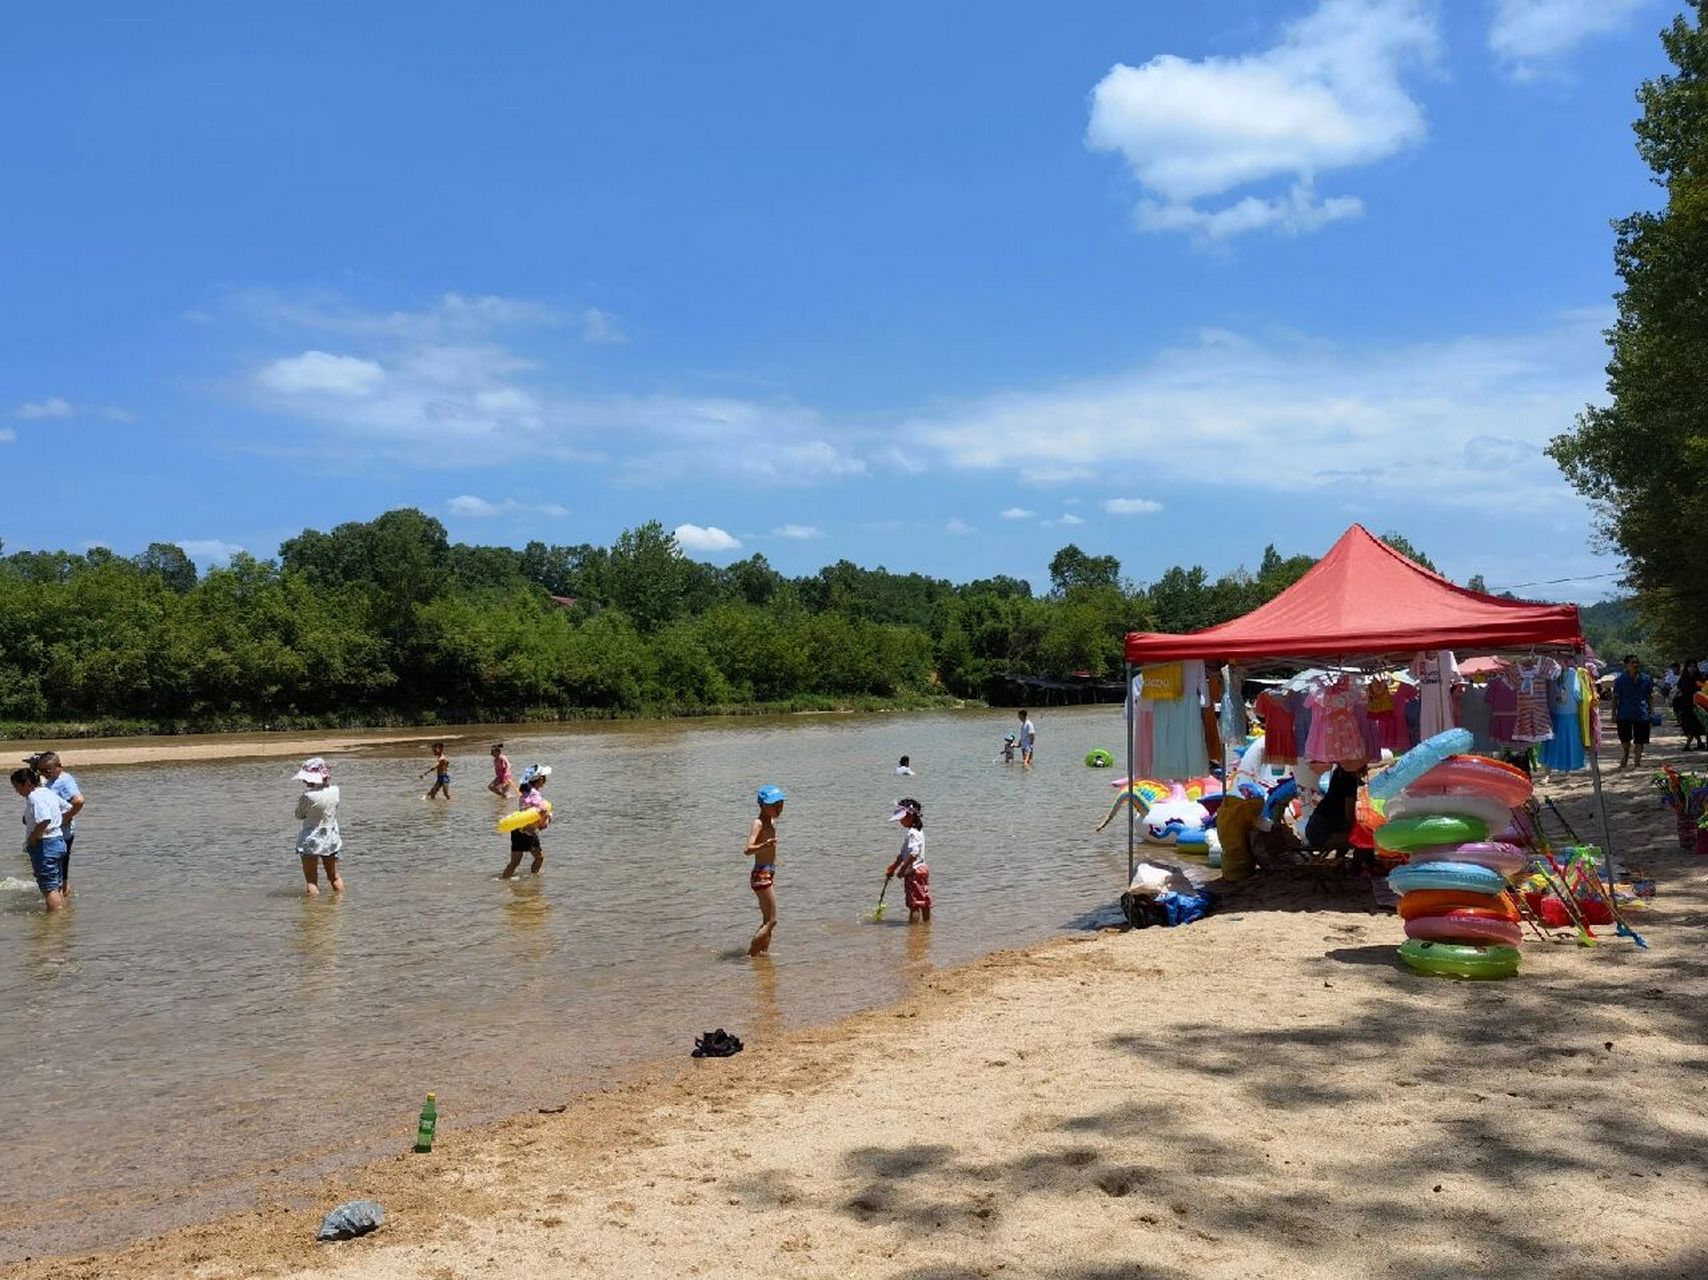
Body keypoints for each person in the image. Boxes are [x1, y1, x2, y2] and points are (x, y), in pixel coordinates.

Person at [25, 751, 83, 897]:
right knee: (58, 872)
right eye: (41, 771)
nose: (44, 774)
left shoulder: (65, 780)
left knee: (61, 874)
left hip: (61, 833)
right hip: (53, 833)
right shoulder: (52, 778)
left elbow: (79, 801)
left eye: (47, 770)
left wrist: (65, 818)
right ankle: (63, 906)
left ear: (59, 766)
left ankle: (61, 908)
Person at [12, 764, 69, 912]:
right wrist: (61, 823)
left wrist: (33, 838)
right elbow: (68, 807)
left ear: (28, 784)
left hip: (45, 844)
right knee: (56, 885)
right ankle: (63, 919)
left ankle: (53, 925)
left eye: (17, 786)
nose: (16, 791)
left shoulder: (33, 797)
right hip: (58, 841)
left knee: (49, 888)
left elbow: (44, 819)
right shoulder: (47, 792)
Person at [293, 757, 344, 896]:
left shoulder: (308, 795)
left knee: (311, 882)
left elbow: (299, 815)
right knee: (335, 877)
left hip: (312, 839)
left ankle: (313, 915)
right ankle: (338, 910)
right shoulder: (335, 790)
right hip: (331, 836)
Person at [745, 784, 785, 956]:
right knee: (773, 920)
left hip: (768, 873)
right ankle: (750, 955)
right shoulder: (758, 823)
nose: (778, 807)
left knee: (767, 920)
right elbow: (747, 849)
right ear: (762, 805)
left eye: (780, 803)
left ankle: (763, 955)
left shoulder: (771, 821)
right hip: (761, 874)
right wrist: (764, 845)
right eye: (773, 804)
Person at [885, 797, 931, 923]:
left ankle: (914, 933)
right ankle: (926, 926)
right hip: (922, 869)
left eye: (901, 817)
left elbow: (914, 853)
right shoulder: (918, 831)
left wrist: (902, 869)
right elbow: (902, 855)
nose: (900, 820)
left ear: (910, 816)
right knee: (924, 900)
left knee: (914, 905)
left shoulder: (911, 833)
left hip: (913, 872)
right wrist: (893, 867)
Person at [1304, 760, 1365, 855]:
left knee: (1350, 833)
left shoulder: (1339, 774)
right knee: (1359, 839)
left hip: (1315, 828)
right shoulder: (1348, 780)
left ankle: (1341, 861)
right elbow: (1349, 815)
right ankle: (1352, 866)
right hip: (1321, 832)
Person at [502, 765, 553, 878]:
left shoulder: (525, 791)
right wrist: (547, 817)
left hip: (517, 829)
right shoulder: (534, 793)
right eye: (544, 777)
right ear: (540, 779)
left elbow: (525, 808)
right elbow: (541, 811)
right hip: (527, 831)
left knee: (514, 862)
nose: (545, 779)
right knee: (539, 857)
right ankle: (535, 881)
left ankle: (504, 881)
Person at [1612, 654, 1656, 770]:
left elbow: (1649, 696)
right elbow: (1615, 697)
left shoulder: (1646, 679)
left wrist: (1652, 711)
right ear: (1626, 665)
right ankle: (1626, 754)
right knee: (1625, 739)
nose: (1635, 664)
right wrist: (1613, 713)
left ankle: (1637, 762)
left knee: (1640, 740)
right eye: (1632, 662)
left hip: (1641, 713)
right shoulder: (1620, 680)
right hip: (1624, 714)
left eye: (1637, 662)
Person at [1673, 662, 1705, 750]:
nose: (1692, 668)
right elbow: (1679, 690)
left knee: (1694, 725)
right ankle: (1699, 742)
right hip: (1685, 705)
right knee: (1690, 725)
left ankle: (1687, 745)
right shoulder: (1683, 679)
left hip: (1697, 705)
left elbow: (1703, 690)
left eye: (1694, 666)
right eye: (1690, 666)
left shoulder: (1700, 679)